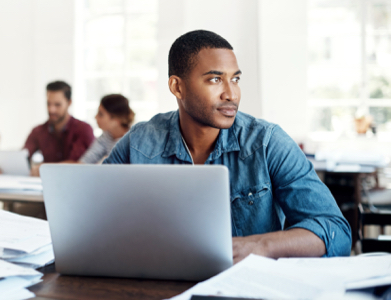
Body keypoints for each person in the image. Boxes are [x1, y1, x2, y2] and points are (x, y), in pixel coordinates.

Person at [103, 30, 352, 263]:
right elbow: (94, 220)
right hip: (156, 283)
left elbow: (335, 232)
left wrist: (259, 246)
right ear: (177, 87)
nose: (231, 94)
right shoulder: (138, 143)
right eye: (215, 79)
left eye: (235, 79)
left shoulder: (267, 142)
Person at [24, 81, 95, 176]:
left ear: (69, 103)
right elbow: (23, 156)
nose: (51, 109)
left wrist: (46, 168)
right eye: (48, 104)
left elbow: (78, 165)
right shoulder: (38, 131)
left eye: (57, 105)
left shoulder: (83, 129)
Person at [79, 94, 135, 164]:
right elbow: (85, 161)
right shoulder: (106, 136)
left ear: (116, 119)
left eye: (100, 114)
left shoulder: (134, 139)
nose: (95, 117)